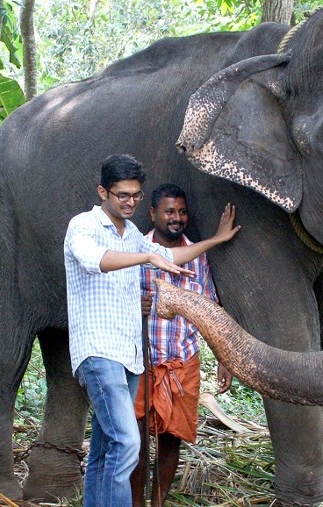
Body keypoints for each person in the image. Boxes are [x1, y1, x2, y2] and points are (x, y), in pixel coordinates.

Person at [64, 154, 240, 507]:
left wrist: (216, 241)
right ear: (103, 192)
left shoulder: (131, 234)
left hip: (130, 356)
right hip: (99, 352)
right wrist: (146, 258)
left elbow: (171, 257)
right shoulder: (83, 226)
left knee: (104, 447)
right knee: (129, 442)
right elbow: (94, 260)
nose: (129, 202)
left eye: (135, 196)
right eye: (121, 195)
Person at [130, 184, 233, 507]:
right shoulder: (135, 250)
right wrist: (136, 304)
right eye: (169, 212)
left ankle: (158, 502)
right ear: (153, 214)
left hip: (182, 361)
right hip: (141, 360)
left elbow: (210, 308)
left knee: (172, 437)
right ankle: (135, 502)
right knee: (136, 441)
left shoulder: (197, 256)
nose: (177, 218)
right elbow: (110, 298)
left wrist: (224, 358)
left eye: (182, 212)